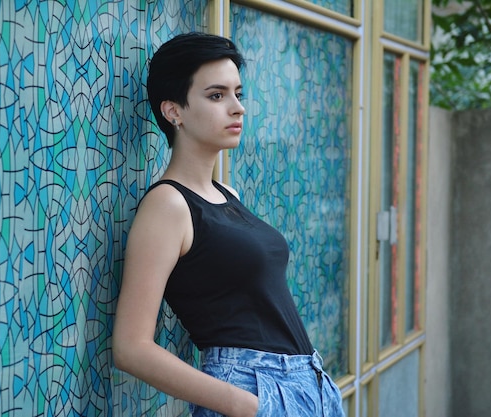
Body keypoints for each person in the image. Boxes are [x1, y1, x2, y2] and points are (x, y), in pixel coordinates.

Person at [112, 32, 344, 417]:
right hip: (253, 390)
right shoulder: (168, 205)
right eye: (217, 95)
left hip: (305, 386)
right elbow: (131, 346)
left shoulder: (227, 194)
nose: (237, 108)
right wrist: (246, 405)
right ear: (174, 112)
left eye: (238, 94)